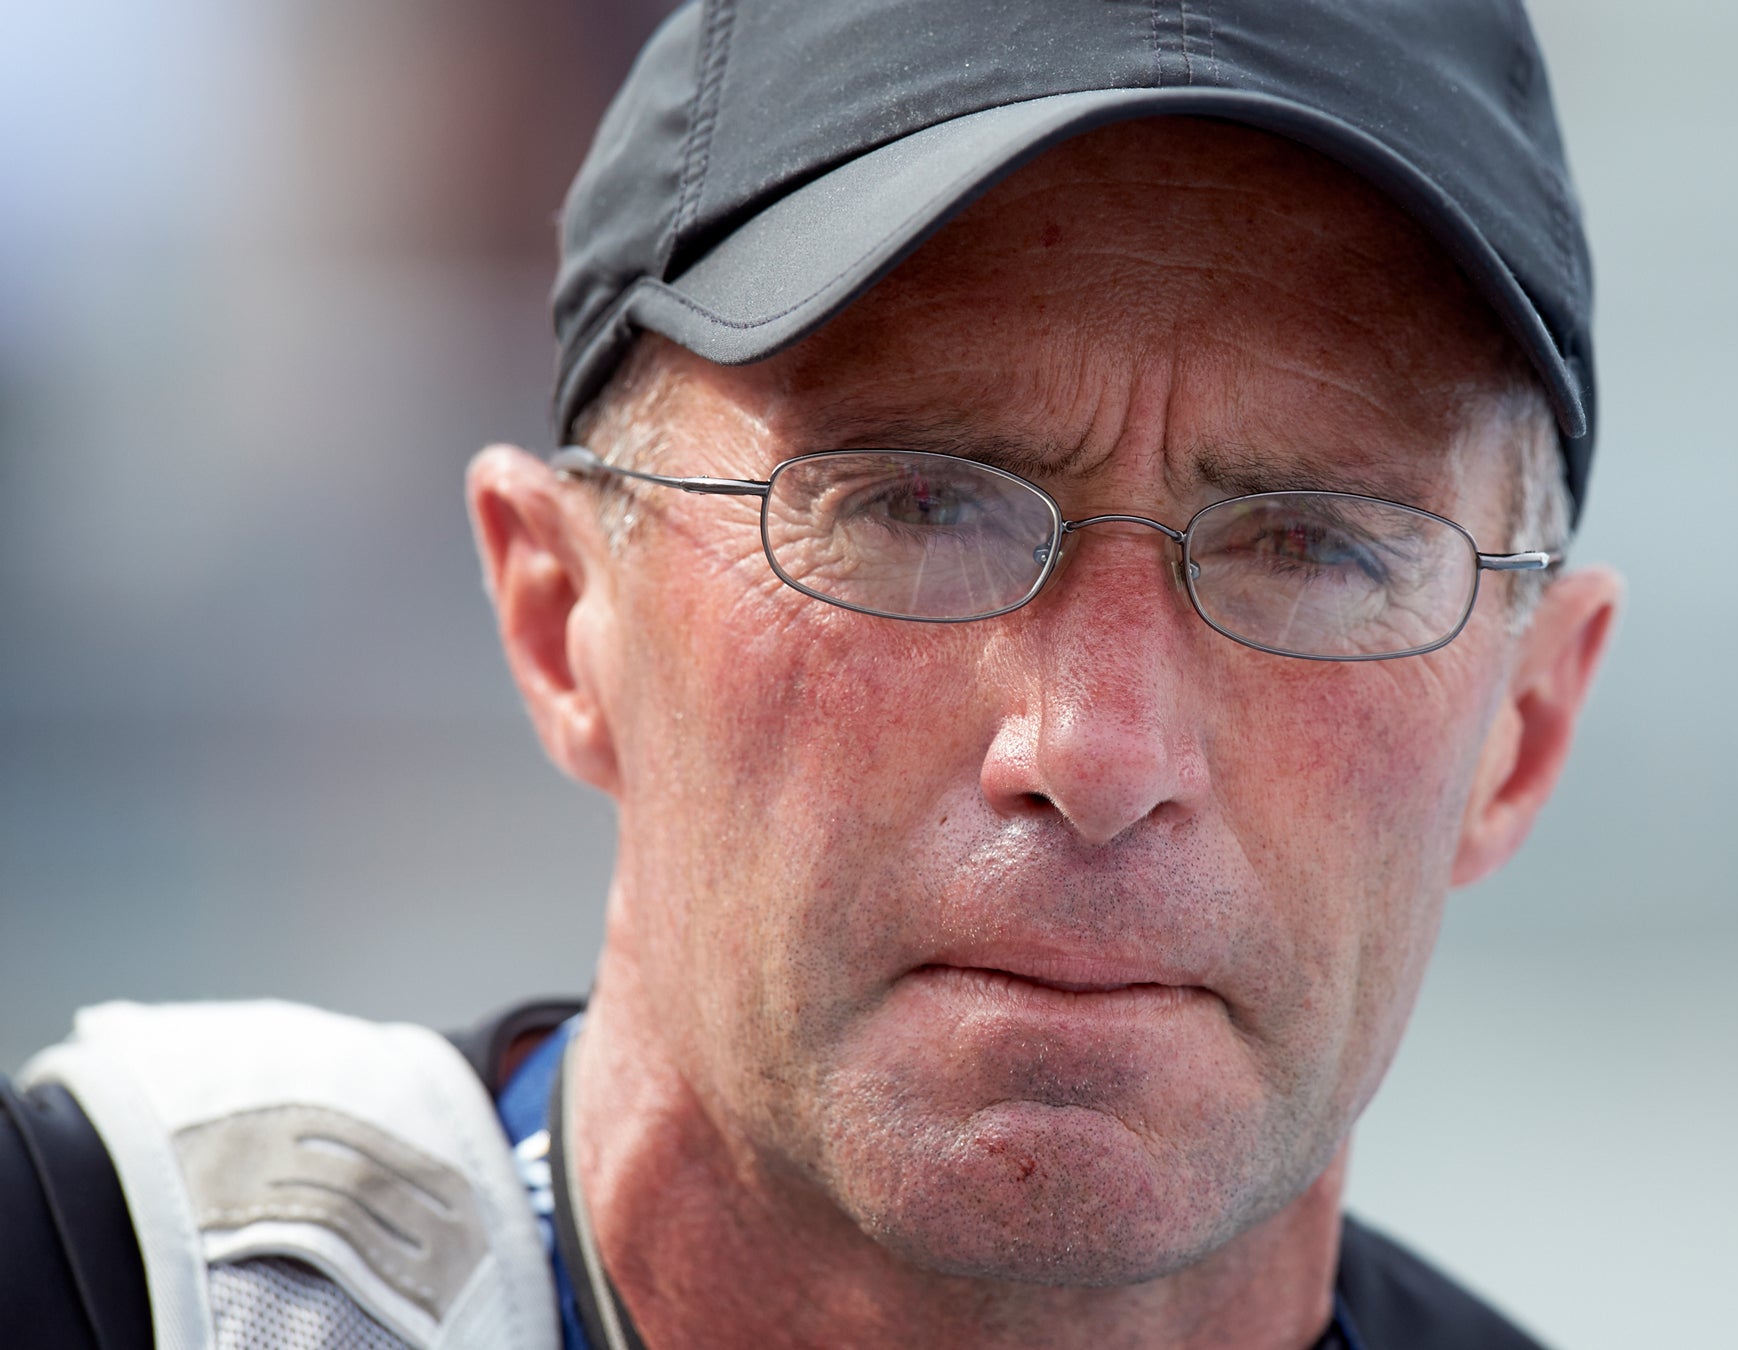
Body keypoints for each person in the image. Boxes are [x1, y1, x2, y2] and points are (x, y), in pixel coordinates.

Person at [2, 1, 1619, 1346]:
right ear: (563, 610)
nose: (1101, 745)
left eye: (1313, 546)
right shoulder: (94, 1283)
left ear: (1525, 728)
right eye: (917, 506)